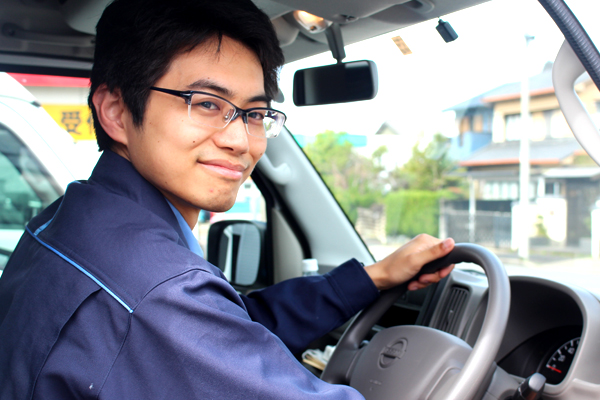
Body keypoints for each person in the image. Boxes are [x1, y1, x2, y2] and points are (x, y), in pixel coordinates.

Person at [0, 0, 454, 398]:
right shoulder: (161, 292)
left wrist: (374, 277)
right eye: (205, 103)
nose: (240, 141)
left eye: (254, 113)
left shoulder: (64, 222)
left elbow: (229, 332)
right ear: (116, 112)